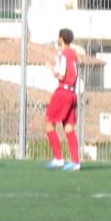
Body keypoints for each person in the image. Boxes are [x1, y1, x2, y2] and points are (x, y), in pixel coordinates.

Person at [44, 28, 81, 171]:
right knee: (69, 128)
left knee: (49, 124)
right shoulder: (74, 54)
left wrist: (51, 68)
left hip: (63, 92)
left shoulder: (63, 54)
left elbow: (61, 75)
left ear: (61, 38)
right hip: (72, 93)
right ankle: (75, 162)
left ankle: (59, 159)